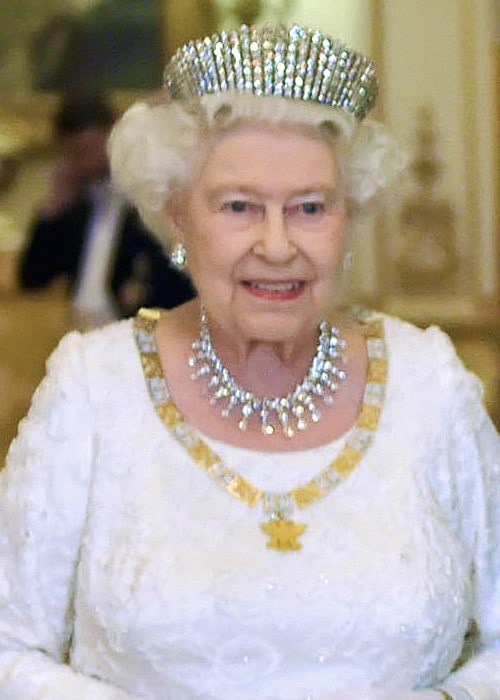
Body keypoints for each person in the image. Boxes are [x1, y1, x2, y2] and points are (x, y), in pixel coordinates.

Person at [1, 22, 498, 700]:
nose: (276, 243)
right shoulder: (93, 387)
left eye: (310, 208)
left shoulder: (431, 383)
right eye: (239, 206)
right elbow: (9, 646)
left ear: (348, 217)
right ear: (179, 218)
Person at [18, 93, 195, 328]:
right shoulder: (75, 207)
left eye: (92, 149)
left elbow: (176, 278)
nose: (87, 162)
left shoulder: (150, 197)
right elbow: (32, 278)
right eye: (76, 154)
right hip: (83, 334)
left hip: (143, 331)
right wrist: (52, 208)